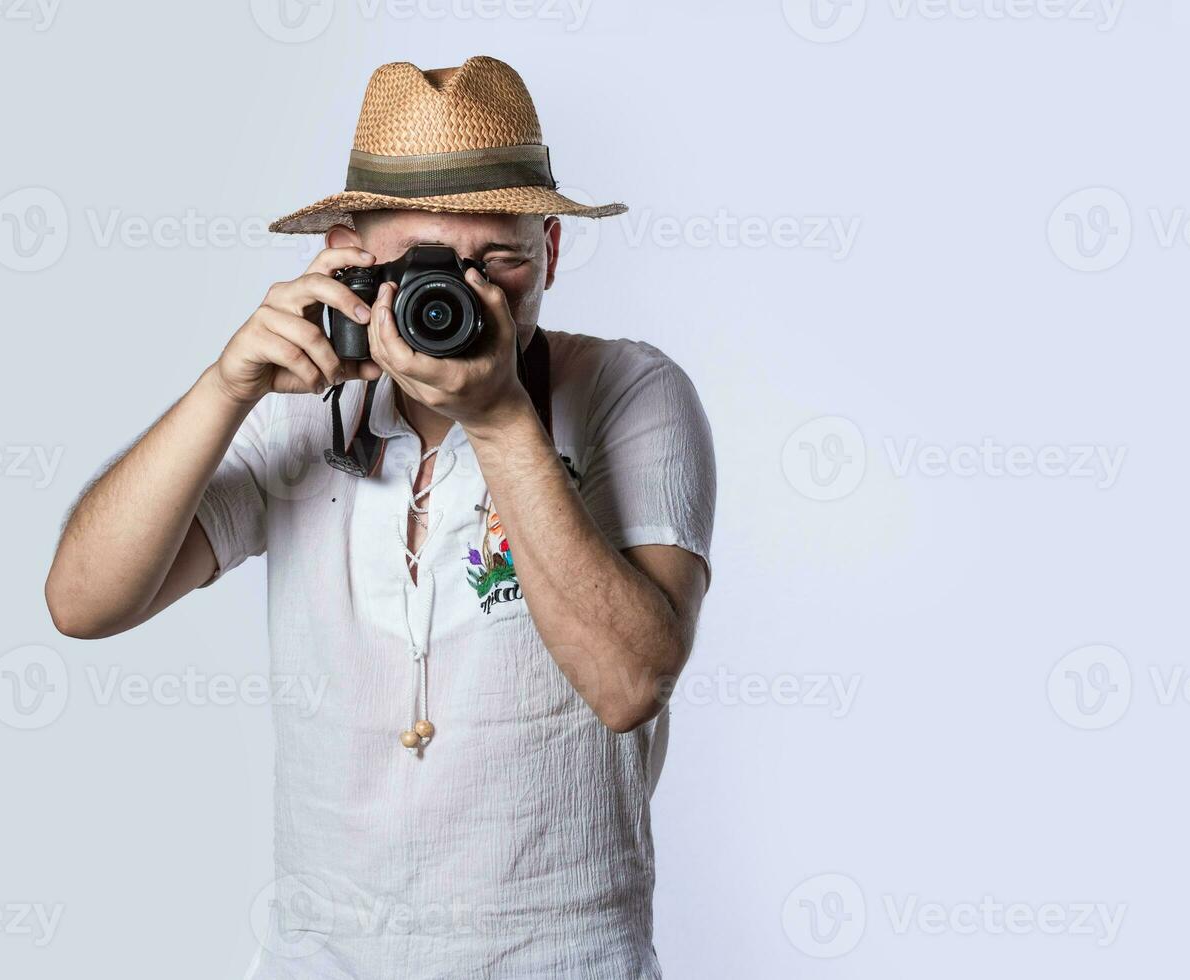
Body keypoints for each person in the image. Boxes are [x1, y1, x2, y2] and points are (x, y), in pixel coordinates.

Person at [44, 56, 716, 978]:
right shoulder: (298, 402)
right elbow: (83, 603)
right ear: (351, 257)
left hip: (565, 956)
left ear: (552, 252)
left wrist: (501, 421)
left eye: (499, 263)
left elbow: (630, 684)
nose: (463, 299)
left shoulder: (632, 392)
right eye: (422, 269)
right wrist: (226, 386)